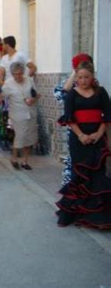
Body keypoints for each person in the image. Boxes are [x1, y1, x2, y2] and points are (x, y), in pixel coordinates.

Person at [56, 61, 111, 229]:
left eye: (86, 77)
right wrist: (80, 135)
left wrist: (98, 134)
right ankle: (76, 214)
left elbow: (107, 116)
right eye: (80, 77)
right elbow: (69, 118)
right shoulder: (72, 94)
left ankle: (98, 218)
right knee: (79, 174)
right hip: (78, 140)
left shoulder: (101, 92)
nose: (83, 80)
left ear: (92, 76)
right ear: (76, 78)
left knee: (98, 174)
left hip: (98, 138)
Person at [54, 53, 94, 187]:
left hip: (94, 131)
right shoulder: (70, 84)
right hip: (76, 131)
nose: (83, 79)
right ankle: (72, 193)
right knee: (74, 163)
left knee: (92, 163)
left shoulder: (94, 84)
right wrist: (73, 75)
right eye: (78, 71)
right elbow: (60, 95)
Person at [2, 62, 39, 170]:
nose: (17, 76)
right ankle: (13, 158)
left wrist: (33, 99)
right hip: (17, 114)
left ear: (23, 72)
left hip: (31, 112)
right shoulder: (8, 83)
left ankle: (24, 161)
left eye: (19, 74)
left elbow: (36, 94)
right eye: (14, 74)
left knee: (30, 137)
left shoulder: (29, 80)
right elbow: (1, 96)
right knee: (20, 136)